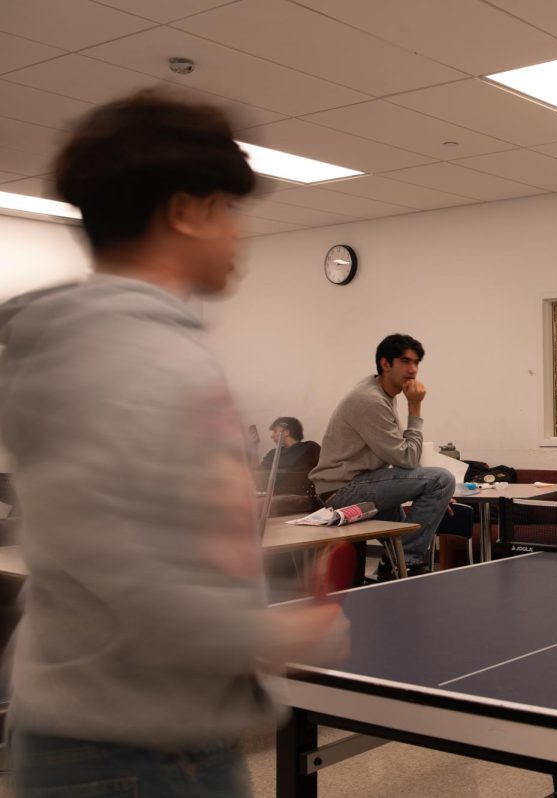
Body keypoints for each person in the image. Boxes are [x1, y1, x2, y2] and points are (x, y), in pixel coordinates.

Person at [0, 90, 347, 797]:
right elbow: (124, 580)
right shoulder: (137, 360)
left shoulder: (121, 348)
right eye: (231, 210)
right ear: (188, 211)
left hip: (135, 735)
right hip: (136, 754)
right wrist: (276, 634)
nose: (240, 235)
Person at [309, 333, 455, 577]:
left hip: (359, 484)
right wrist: (415, 407)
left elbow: (401, 457)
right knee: (442, 479)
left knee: (418, 506)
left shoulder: (382, 394)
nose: (413, 369)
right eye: (405, 361)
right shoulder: (370, 401)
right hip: (343, 493)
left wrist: (436, 495)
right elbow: (407, 458)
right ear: (385, 364)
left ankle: (394, 565)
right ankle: (401, 564)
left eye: (416, 362)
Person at [256, 416, 321, 497]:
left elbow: (324, 470)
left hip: (305, 498)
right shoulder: (272, 454)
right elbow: (258, 476)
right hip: (275, 499)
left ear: (286, 432)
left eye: (275, 431)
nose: (272, 436)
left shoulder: (310, 447)